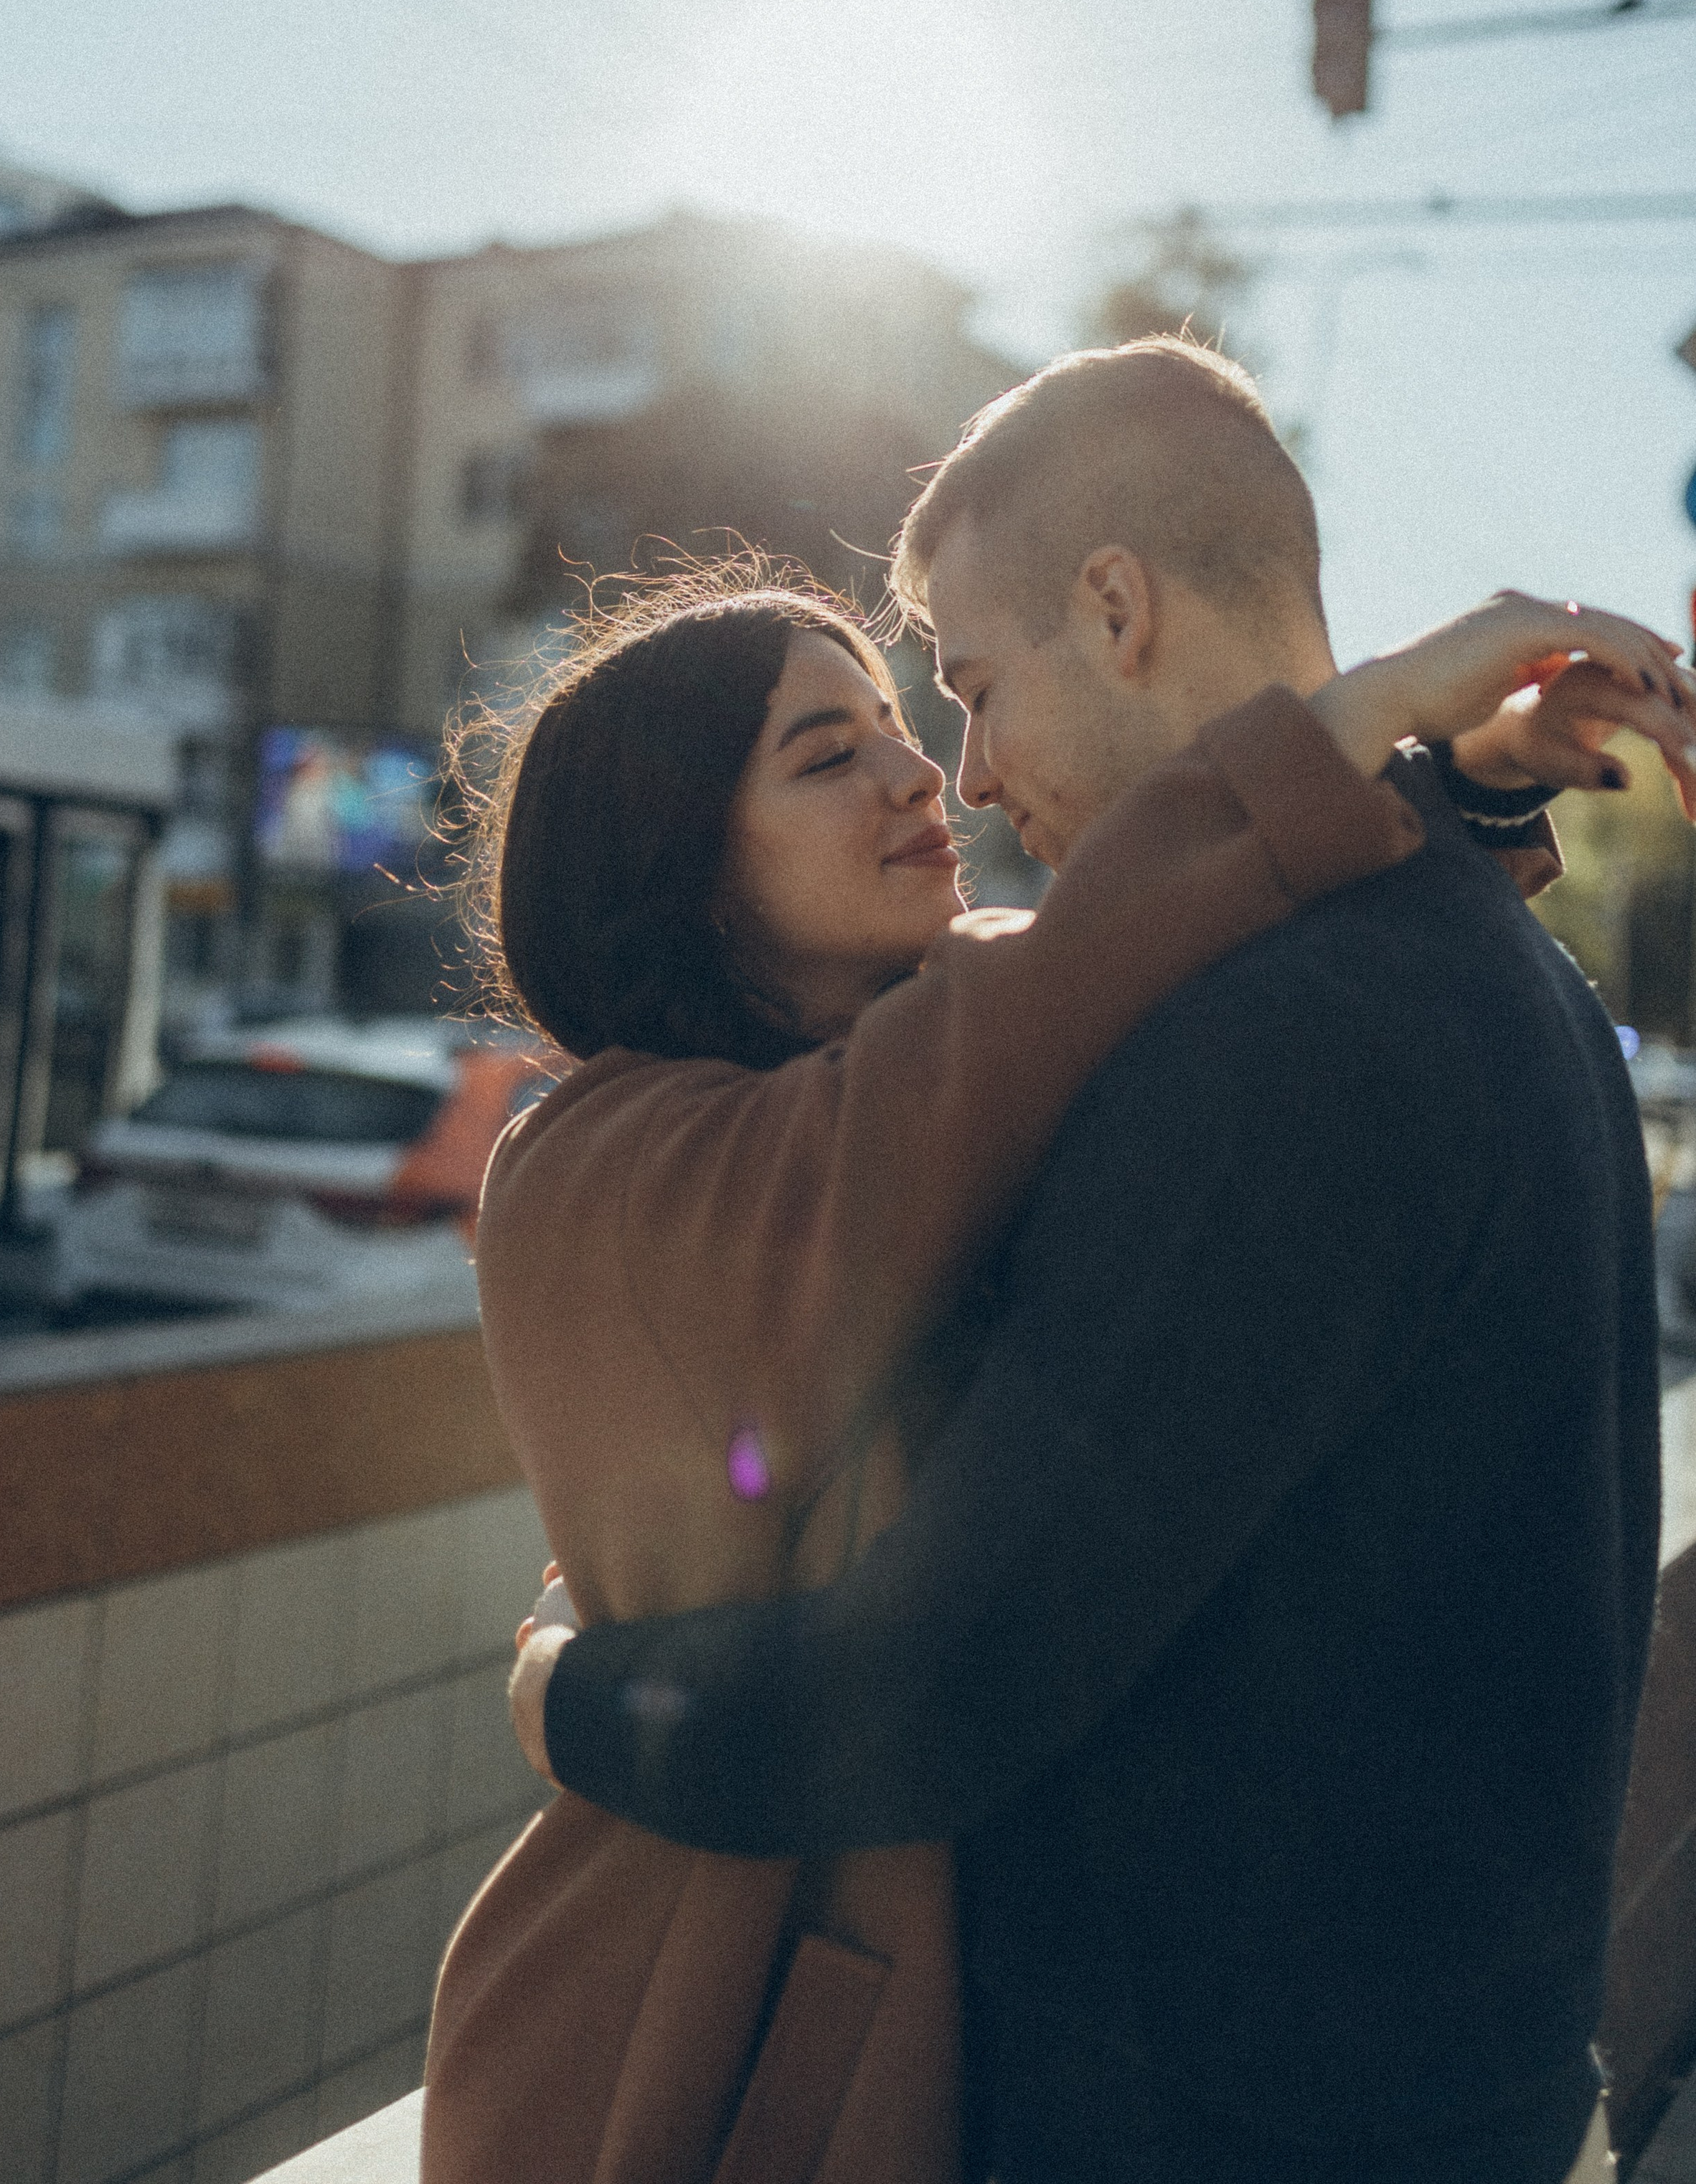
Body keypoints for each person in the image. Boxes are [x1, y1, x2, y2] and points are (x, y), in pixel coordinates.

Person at [510, 341, 1688, 2184]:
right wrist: (1424, 780)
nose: (960, 777)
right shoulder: (1482, 961)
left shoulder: (1270, 1035)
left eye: (967, 691)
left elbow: (943, 1684)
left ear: (1117, 610)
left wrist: (563, 1690)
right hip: (1448, 2090)